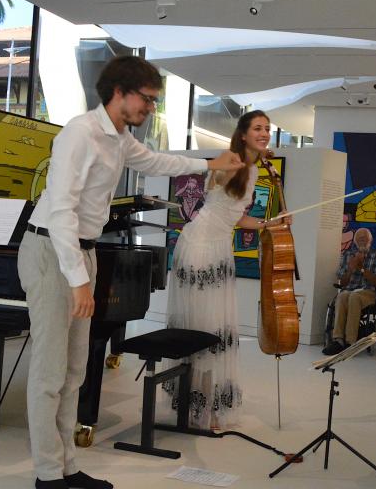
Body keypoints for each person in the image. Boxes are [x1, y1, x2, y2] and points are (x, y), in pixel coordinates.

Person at [17, 56, 244, 489]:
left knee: (73, 372)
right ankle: (47, 475)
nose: (150, 109)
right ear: (119, 91)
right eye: (147, 99)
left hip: (82, 252)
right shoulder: (79, 134)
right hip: (51, 250)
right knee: (49, 374)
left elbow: (156, 163)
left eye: (154, 101)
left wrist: (210, 165)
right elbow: (61, 211)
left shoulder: (118, 137)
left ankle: (65, 466)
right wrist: (79, 279)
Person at [164, 110, 286, 430]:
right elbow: (217, 183)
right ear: (243, 134)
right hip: (200, 247)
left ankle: (204, 404)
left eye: (267, 130)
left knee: (216, 328)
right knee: (205, 327)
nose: (264, 133)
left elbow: (234, 217)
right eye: (257, 128)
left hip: (219, 247)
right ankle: (200, 408)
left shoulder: (256, 171)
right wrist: (224, 168)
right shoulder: (230, 159)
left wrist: (268, 223)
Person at [324, 228, 376, 355]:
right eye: (359, 238)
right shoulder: (348, 254)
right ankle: (338, 340)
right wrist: (351, 270)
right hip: (350, 289)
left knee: (354, 297)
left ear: (371, 240)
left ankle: (350, 341)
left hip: (369, 292)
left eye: (365, 238)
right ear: (354, 241)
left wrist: (362, 268)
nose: (362, 240)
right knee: (342, 296)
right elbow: (343, 282)